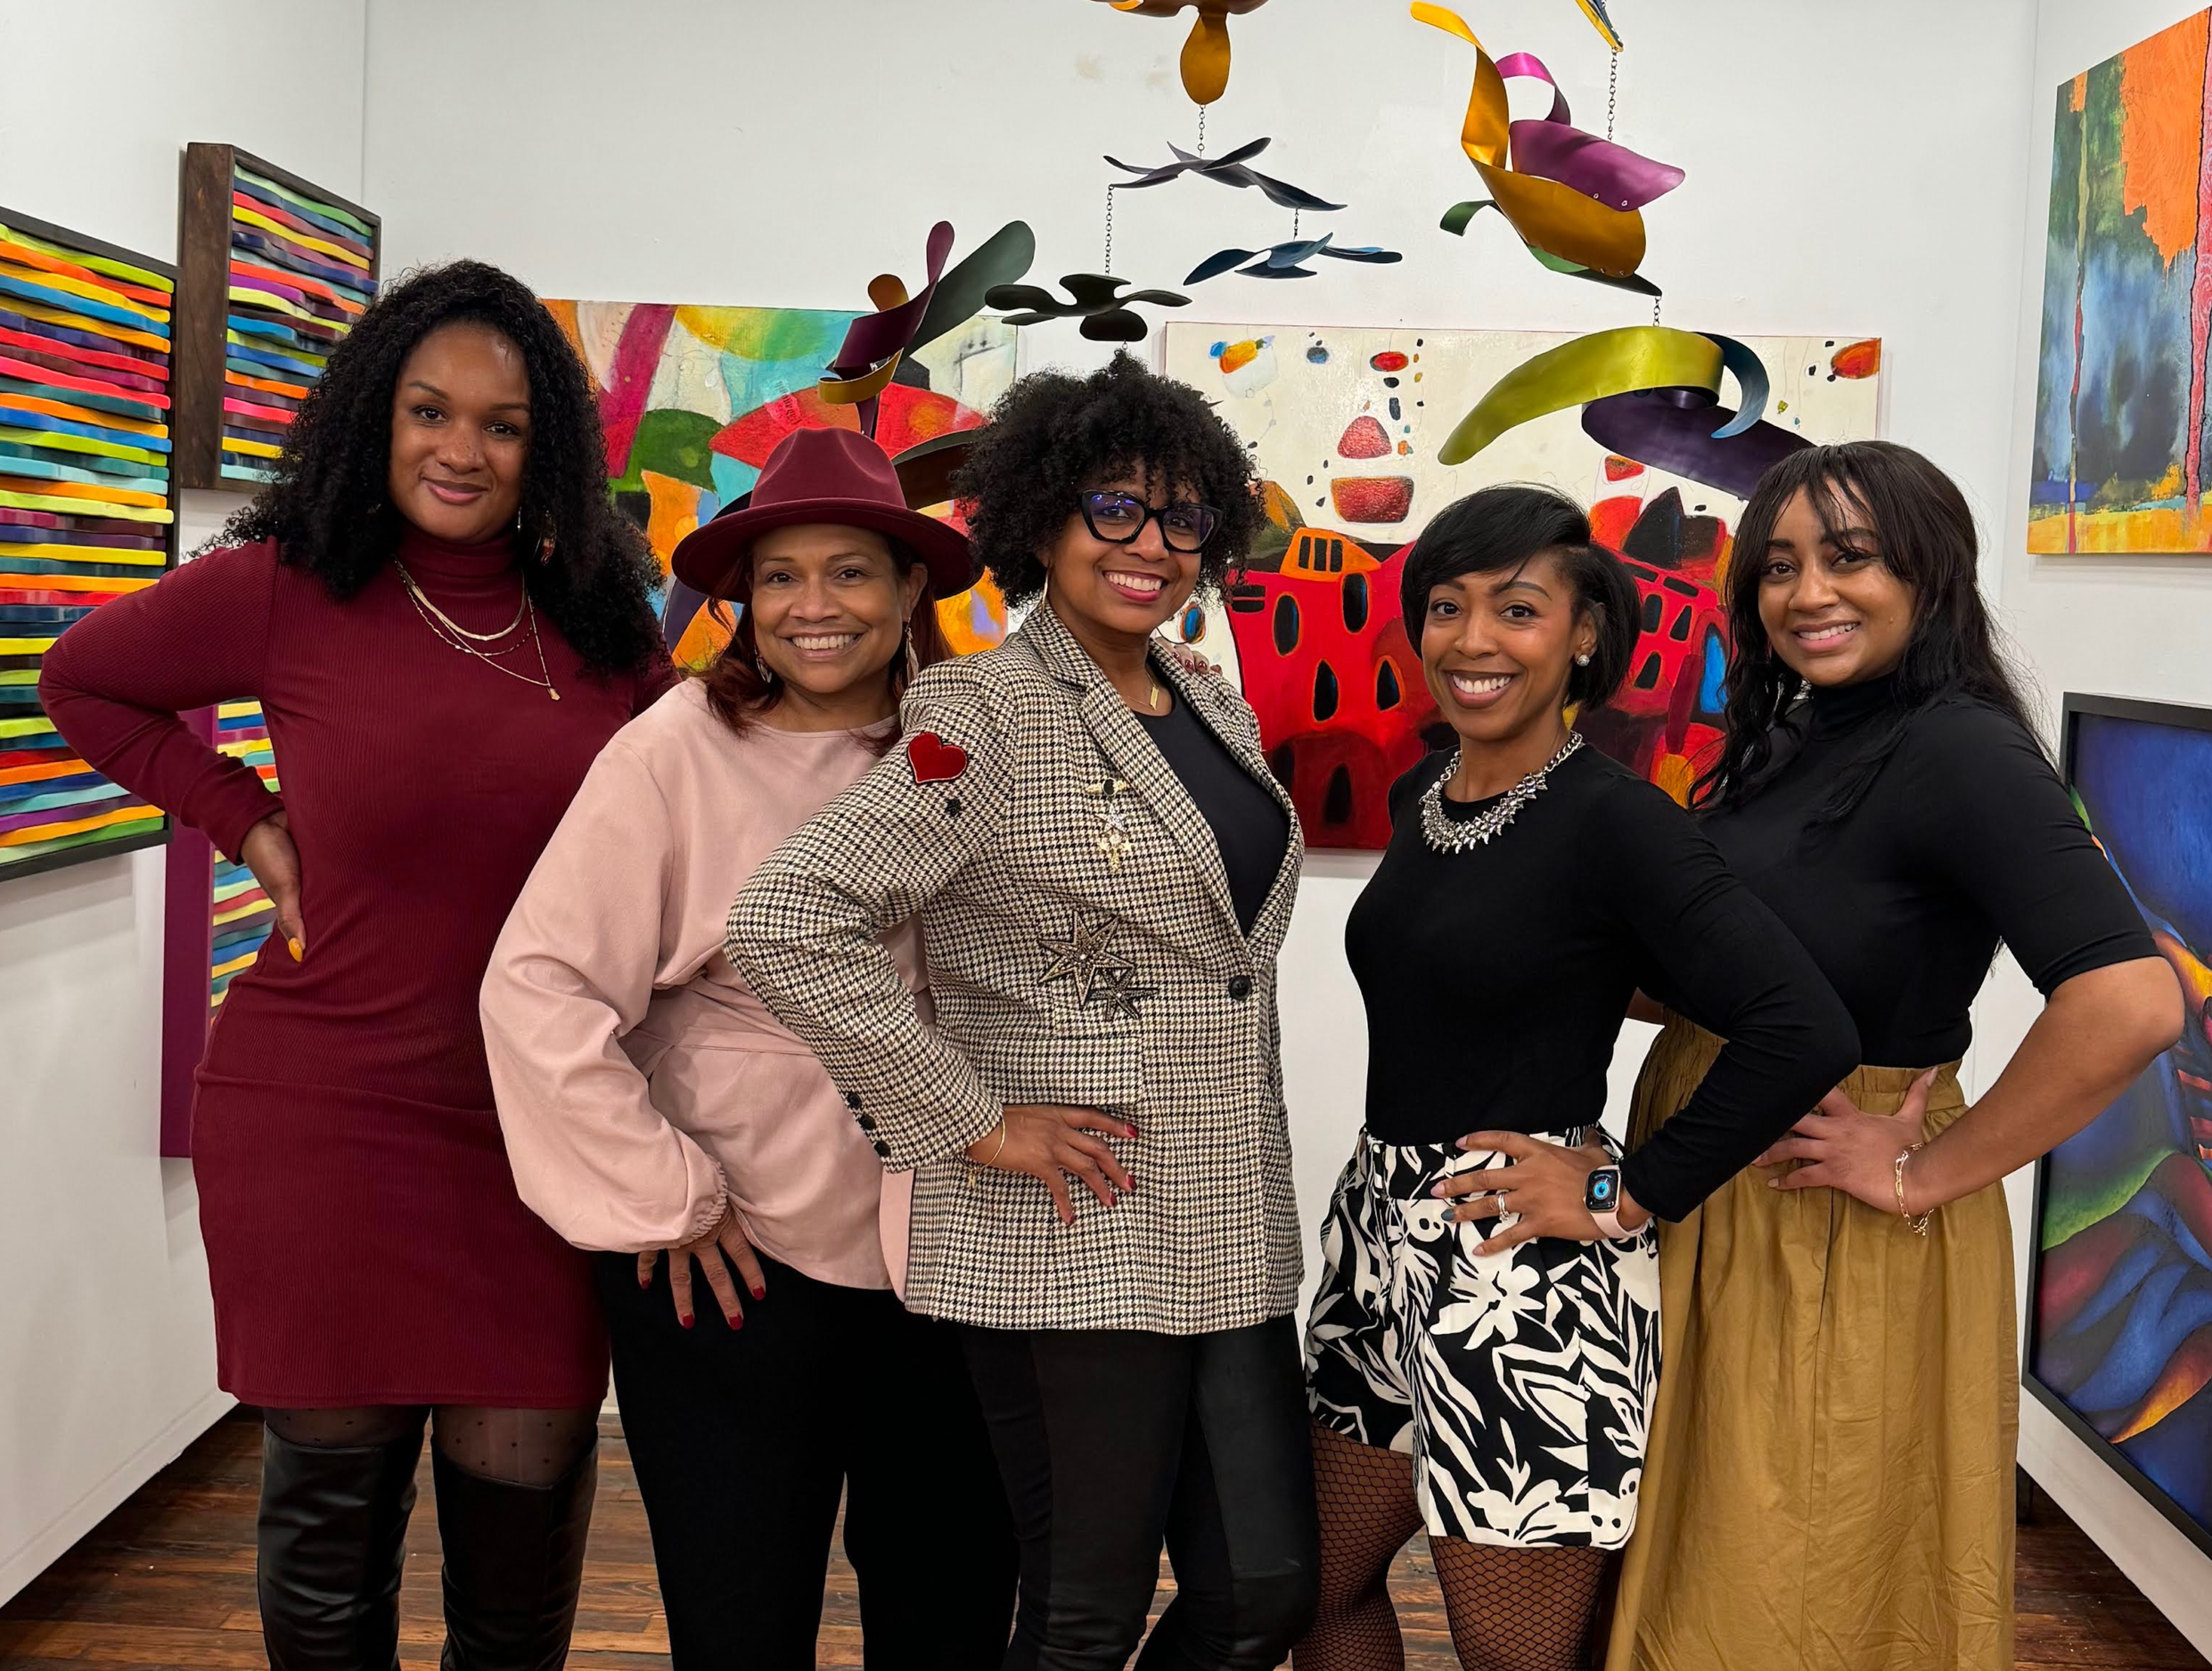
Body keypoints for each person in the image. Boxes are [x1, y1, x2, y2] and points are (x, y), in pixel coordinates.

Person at [39, 260, 672, 1671]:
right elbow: (77, 676)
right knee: (329, 1568)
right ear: (373, 416)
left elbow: (705, 790)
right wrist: (242, 819)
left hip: (539, 1134)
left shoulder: (600, 623)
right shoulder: (288, 590)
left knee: (518, 1582)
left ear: (547, 449)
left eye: (503, 425)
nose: (462, 449)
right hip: (324, 1114)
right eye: (428, 411)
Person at [727, 354, 1316, 1671]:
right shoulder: (980, 713)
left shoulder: (1210, 702)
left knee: (1263, 1592)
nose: (1150, 542)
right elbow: (789, 917)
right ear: (1044, 520)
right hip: (1071, 1219)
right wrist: (970, 1119)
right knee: (1081, 1614)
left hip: (1229, 1215)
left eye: (1181, 515)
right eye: (1114, 506)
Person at [1602, 441, 2185, 1671]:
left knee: (1792, 1578)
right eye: (1779, 567)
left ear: (1930, 571)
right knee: (1716, 1556)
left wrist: (1923, 1171)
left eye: (1850, 557)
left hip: (1827, 1218)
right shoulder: (1799, 732)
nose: (1808, 592)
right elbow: (1771, 968)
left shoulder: (1957, 747)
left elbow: (2131, 1002)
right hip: (1723, 1185)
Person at [1289, 485, 1858, 1671]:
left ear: (1585, 635)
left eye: (1518, 608)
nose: (1473, 640)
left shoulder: (1619, 820)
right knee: (1315, 1590)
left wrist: (1623, 1191)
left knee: (1513, 1657)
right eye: (1447, 606)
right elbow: (1529, 958)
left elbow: (1800, 1025)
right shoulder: (1424, 797)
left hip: (1523, 1272)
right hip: (1378, 1236)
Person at [479, 428, 1017, 1667]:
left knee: (951, 1606)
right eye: (781, 576)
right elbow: (540, 985)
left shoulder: (972, 740)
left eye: (849, 571)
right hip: (740, 1252)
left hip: (960, 1244)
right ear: (744, 599)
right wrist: (661, 1194)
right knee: (740, 1615)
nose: (813, 605)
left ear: (911, 587)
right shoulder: (675, 748)